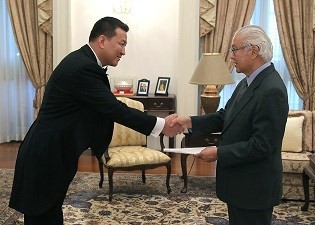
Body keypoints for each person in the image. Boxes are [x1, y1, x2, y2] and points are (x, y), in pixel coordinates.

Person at [9, 16, 183, 225]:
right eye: (122, 43)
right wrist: (162, 126)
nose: (124, 51)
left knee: (50, 212)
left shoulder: (83, 61)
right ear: (102, 40)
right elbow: (114, 109)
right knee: (43, 216)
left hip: (52, 151)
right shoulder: (83, 67)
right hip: (46, 154)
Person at [172, 25, 289, 225]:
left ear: (253, 51)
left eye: (234, 49)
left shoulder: (271, 90)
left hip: (254, 189)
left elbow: (262, 145)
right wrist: (190, 121)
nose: (231, 56)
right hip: (240, 185)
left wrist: (218, 152)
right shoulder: (247, 82)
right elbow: (225, 116)